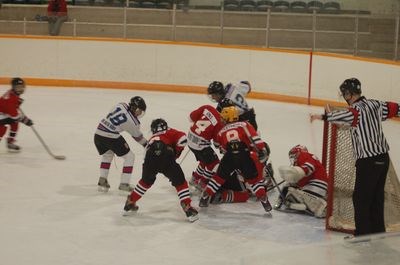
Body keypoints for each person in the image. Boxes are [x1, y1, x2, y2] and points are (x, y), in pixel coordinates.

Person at [310, 78, 400, 236]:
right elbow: (395, 108)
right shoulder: (375, 104)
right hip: (383, 159)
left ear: (348, 94)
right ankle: (378, 234)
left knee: (361, 199)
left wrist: (321, 117)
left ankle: (362, 236)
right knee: (376, 198)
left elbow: (344, 116)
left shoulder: (355, 110)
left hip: (368, 162)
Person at [123, 118, 199, 222]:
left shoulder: (152, 138)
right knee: (180, 182)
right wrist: (176, 153)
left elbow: (146, 156)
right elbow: (183, 139)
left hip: (149, 156)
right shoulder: (170, 131)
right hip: (165, 154)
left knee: (145, 182)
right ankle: (187, 205)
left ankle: (131, 201)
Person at [199, 106, 272, 212]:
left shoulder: (221, 131)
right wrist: (262, 149)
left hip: (229, 157)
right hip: (244, 155)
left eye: (223, 117)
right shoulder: (245, 124)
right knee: (254, 181)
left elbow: (222, 148)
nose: (222, 119)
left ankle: (205, 196)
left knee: (219, 178)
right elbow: (255, 139)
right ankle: (264, 200)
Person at [94, 96, 147, 192]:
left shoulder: (121, 104)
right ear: (135, 108)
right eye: (139, 111)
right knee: (130, 157)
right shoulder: (132, 122)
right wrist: (147, 145)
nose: (139, 113)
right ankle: (124, 183)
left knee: (107, 155)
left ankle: (102, 179)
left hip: (98, 134)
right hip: (110, 137)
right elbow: (137, 137)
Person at [276, 145, 328, 218]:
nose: (292, 158)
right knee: (290, 188)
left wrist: (298, 172)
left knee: (289, 189)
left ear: (299, 152)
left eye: (293, 155)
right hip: (319, 187)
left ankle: (318, 205)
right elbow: (302, 180)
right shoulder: (308, 158)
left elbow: (308, 167)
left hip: (316, 186)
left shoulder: (304, 155)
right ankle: (308, 205)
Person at [187, 104, 224, 192]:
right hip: (200, 145)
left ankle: (195, 178)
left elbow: (190, 117)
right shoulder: (220, 121)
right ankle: (202, 183)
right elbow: (216, 143)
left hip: (190, 139)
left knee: (204, 160)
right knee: (214, 163)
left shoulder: (207, 107)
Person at [0, 78, 33, 152]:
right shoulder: (11, 98)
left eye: (21, 87)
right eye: (18, 87)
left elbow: (13, 112)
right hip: (1, 115)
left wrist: (17, 103)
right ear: (13, 87)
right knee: (1, 129)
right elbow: (14, 115)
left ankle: (10, 142)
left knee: (15, 123)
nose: (20, 89)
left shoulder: (13, 93)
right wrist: (25, 120)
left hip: (4, 114)